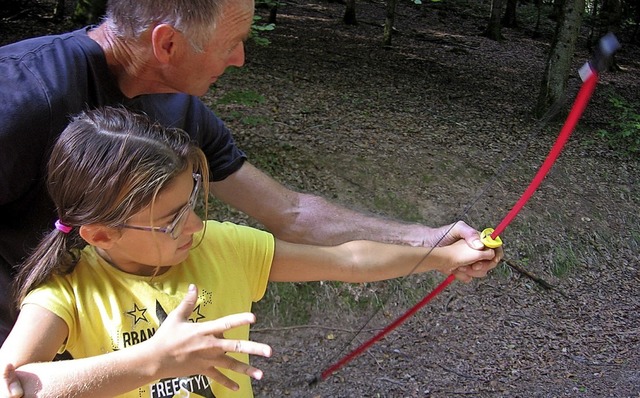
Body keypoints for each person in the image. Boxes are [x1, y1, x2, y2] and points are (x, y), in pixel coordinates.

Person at [0, 0, 499, 347]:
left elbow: (292, 213)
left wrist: (429, 241)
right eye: (231, 43)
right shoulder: (22, 94)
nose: (241, 59)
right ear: (167, 43)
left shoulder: (181, 112)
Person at [0, 107, 501, 398]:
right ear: (100, 234)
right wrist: (153, 361)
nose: (194, 225)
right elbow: (13, 383)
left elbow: (348, 261)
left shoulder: (223, 246)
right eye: (170, 218)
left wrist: (441, 257)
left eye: (192, 202)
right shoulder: (63, 290)